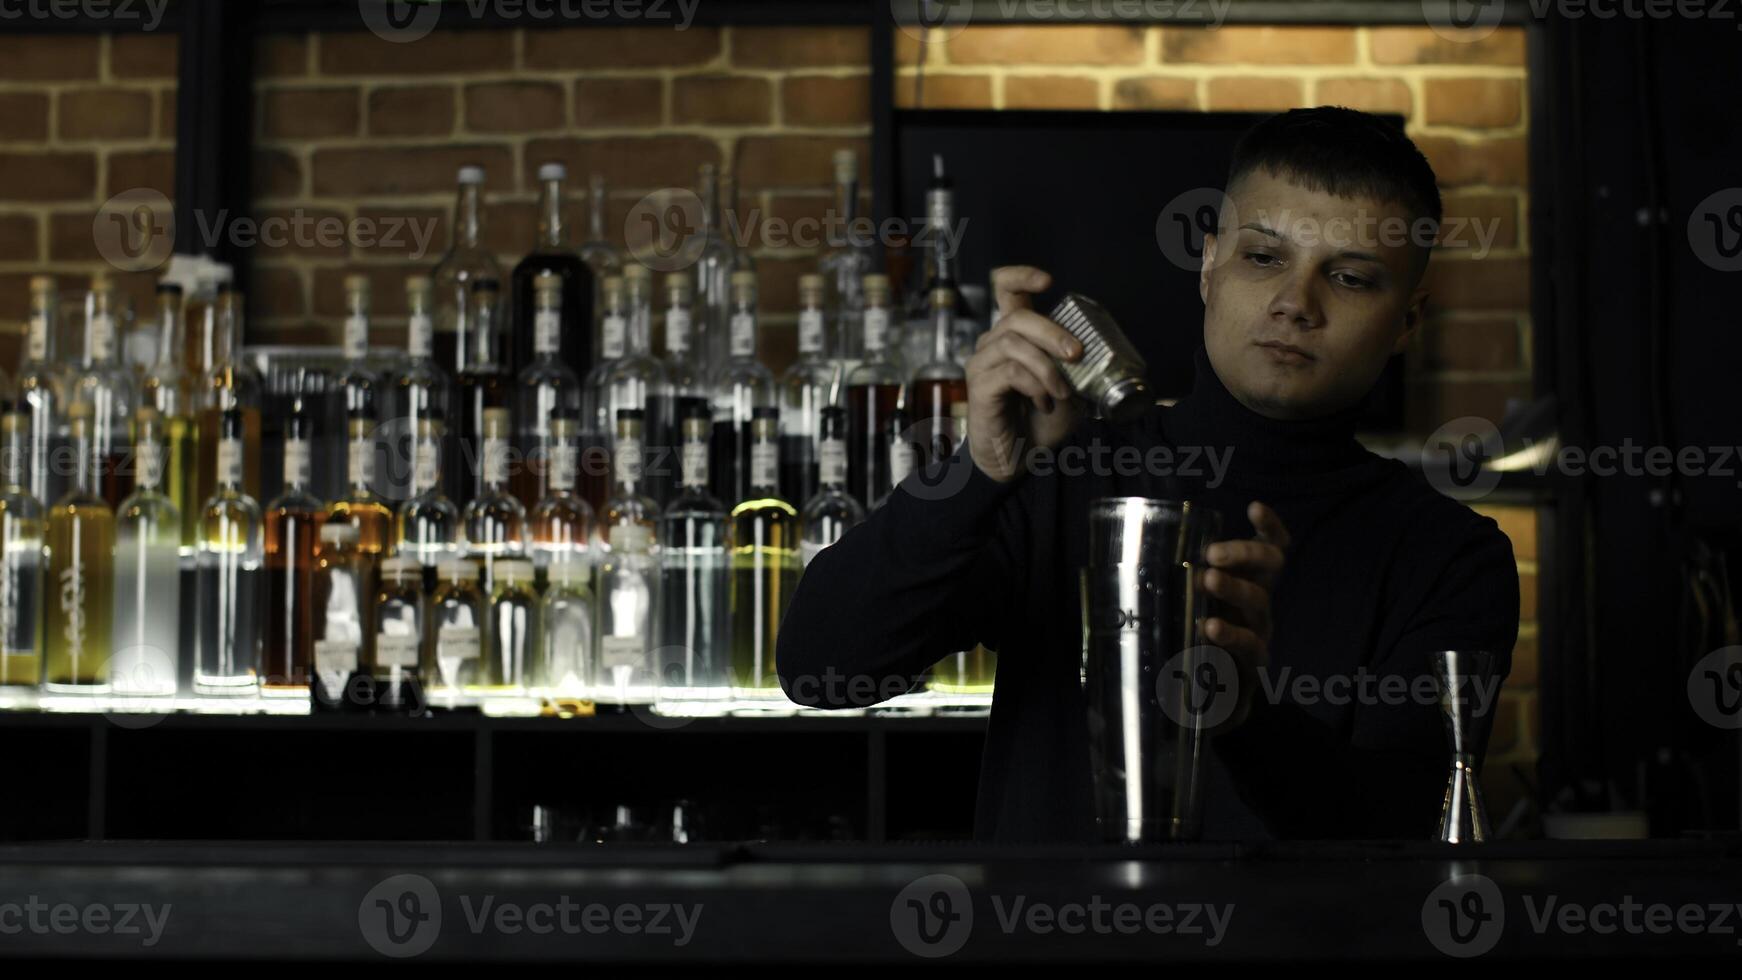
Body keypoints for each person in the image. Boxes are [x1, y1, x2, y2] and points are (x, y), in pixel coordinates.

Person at [777, 106, 1519, 842]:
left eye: (1351, 278)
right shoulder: (1063, 473)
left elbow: (1406, 838)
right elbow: (821, 668)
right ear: (1208, 266)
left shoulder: (1451, 556)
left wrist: (1245, 716)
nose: (1296, 304)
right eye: (1263, 258)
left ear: (1407, 322)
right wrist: (978, 471)